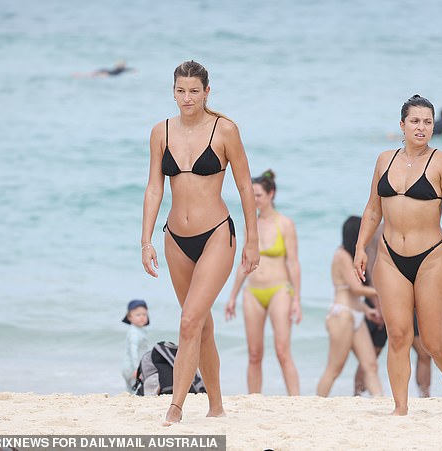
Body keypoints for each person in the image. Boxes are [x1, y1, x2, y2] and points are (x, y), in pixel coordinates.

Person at [141, 60, 259, 425]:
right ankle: (217, 406)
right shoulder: (160, 131)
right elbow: (154, 187)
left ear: (207, 91)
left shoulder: (225, 130)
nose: (187, 97)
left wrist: (252, 241)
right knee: (201, 325)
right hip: (175, 239)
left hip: (216, 236)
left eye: (194, 91)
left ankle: (175, 406)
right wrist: (145, 240)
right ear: (172, 91)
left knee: (189, 320)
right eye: (180, 90)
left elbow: (244, 187)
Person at [354, 94, 442, 415]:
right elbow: (371, 210)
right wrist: (360, 248)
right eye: (415, 121)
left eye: (427, 122)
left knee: (433, 343)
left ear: (433, 126)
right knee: (398, 335)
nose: (421, 127)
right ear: (402, 125)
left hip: (431, 258)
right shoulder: (384, 160)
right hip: (390, 257)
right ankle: (400, 408)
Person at [224, 170, 302, 395]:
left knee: (282, 350)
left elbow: (293, 263)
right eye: (252, 196)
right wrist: (232, 297)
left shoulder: (285, 224)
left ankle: (295, 399)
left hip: (280, 290)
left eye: (258, 195)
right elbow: (243, 263)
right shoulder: (251, 225)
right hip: (253, 292)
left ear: (271, 194)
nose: (254, 199)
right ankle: (254, 399)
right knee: (254, 353)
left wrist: (296, 299)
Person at [353, 225, 433, 398]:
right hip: (380, 299)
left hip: (410, 301)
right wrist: (378, 303)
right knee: (372, 354)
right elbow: (372, 267)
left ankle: (425, 395)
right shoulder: (377, 231)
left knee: (424, 352)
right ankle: (357, 394)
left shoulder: (414, 229)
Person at [316, 216, 384, 398]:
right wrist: (382, 291)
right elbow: (356, 289)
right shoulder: (342, 255)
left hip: (355, 313)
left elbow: (353, 295)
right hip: (341, 316)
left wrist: (367, 310)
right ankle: (317, 404)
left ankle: (380, 400)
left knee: (370, 365)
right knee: (334, 369)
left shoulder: (353, 256)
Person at [121, 299, 150, 392]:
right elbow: (133, 351)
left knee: (130, 390)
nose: (142, 317)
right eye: (138, 315)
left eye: (144, 314)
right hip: (132, 367)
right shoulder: (134, 333)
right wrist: (136, 368)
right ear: (129, 317)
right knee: (136, 388)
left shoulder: (139, 331)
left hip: (128, 367)